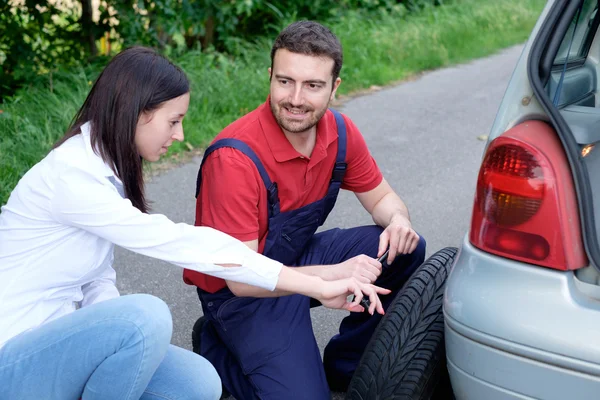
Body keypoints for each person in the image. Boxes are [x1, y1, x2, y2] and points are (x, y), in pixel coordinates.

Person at [0, 46, 389, 400]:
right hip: (14, 359)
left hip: (63, 343)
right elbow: (187, 245)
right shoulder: (72, 179)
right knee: (146, 317)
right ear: (138, 112)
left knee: (199, 384)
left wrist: (113, 338)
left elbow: (97, 278)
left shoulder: (105, 170)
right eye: (173, 121)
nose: (180, 134)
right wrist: (319, 286)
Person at [183, 21, 427, 400]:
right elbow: (244, 279)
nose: (295, 98)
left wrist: (399, 221)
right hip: (241, 295)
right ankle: (216, 347)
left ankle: (346, 365)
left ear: (334, 87)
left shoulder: (340, 132)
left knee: (405, 247)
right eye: (285, 81)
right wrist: (334, 275)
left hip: (293, 260)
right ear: (270, 77)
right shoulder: (234, 158)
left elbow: (382, 200)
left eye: (312, 85)